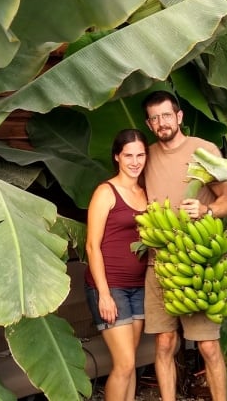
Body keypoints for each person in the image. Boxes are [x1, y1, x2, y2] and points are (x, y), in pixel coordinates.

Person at [141, 90, 227, 401]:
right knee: (165, 343)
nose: (161, 123)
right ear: (149, 123)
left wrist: (206, 210)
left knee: (208, 346)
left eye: (166, 115)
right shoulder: (146, 155)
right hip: (159, 263)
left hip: (197, 264)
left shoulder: (203, 150)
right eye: (154, 118)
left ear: (179, 117)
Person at [84, 129, 150, 401]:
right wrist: (104, 294)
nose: (135, 161)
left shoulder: (146, 193)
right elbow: (91, 245)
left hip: (139, 287)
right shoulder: (106, 191)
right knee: (123, 364)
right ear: (117, 157)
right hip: (111, 287)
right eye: (128, 155)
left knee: (130, 363)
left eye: (140, 155)